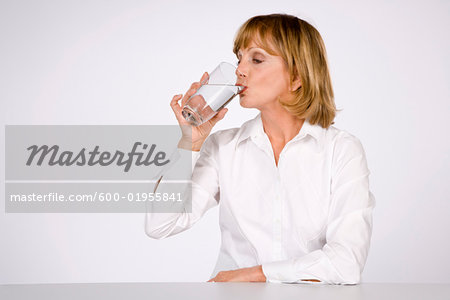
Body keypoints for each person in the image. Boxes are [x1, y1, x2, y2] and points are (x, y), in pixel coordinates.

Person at [145, 13, 375, 285]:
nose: (240, 70)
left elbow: (346, 264)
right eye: (239, 58)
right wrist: (190, 142)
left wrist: (256, 275)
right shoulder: (223, 147)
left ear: (297, 77)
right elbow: (159, 225)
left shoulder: (342, 150)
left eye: (256, 59)